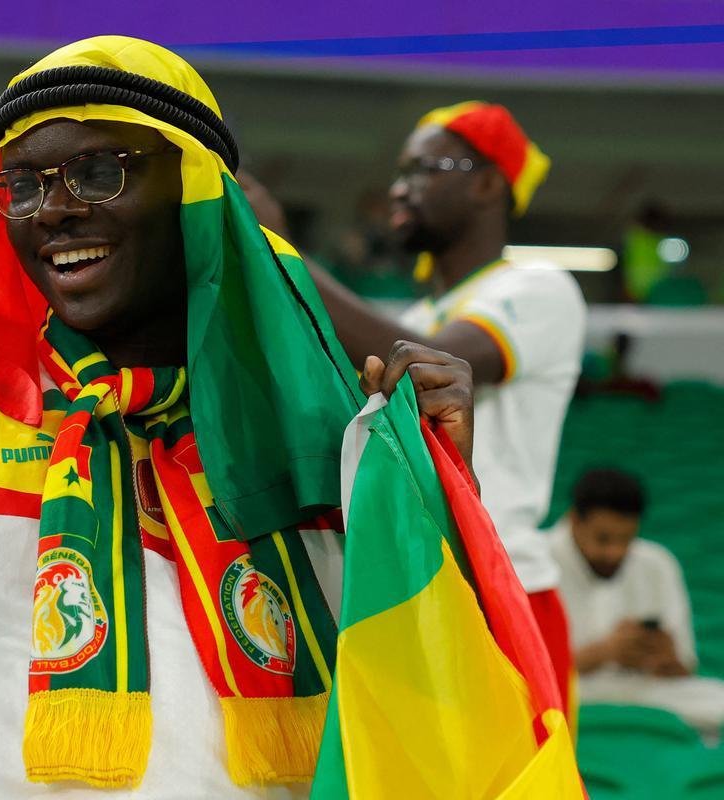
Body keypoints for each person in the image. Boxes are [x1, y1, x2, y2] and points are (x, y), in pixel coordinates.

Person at [0, 36, 478, 798]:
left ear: (200, 195)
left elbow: (435, 708)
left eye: (96, 171)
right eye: (23, 186)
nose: (52, 210)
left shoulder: (327, 436)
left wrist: (444, 495)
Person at [242, 101, 586, 712]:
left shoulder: (538, 288)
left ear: (486, 184)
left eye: (424, 169)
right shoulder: (415, 316)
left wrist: (278, 249)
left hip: (503, 584)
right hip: (419, 582)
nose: (400, 188)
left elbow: (432, 367)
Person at [550, 468, 724, 735]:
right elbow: (524, 675)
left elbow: (684, 671)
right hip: (564, 693)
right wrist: (605, 652)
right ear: (574, 520)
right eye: (603, 539)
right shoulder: (536, 566)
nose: (614, 552)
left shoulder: (657, 564)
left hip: (645, 690)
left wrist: (664, 658)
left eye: (625, 539)